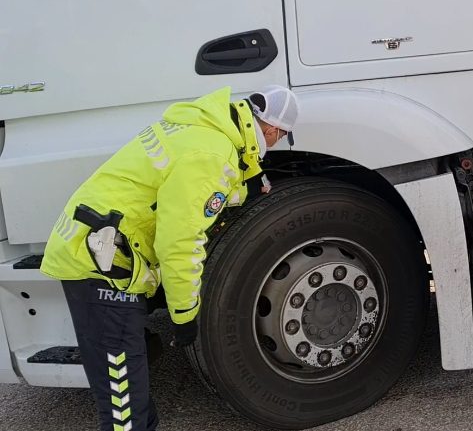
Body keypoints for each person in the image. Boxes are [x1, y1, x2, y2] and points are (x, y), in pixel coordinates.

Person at [40, 84, 300, 431]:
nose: (277, 143)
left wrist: (243, 189)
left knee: (131, 389)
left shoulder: (206, 129)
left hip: (102, 246)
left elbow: (186, 192)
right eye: (281, 137)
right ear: (272, 129)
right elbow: (180, 243)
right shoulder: (212, 154)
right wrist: (184, 315)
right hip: (99, 264)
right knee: (123, 408)